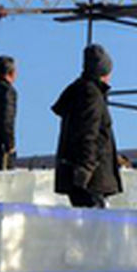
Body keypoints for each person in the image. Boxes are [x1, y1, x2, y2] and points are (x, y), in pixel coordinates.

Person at [52, 44, 122, 208]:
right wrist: (85, 171)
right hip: (91, 179)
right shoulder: (91, 94)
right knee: (95, 229)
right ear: (103, 72)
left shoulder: (78, 91)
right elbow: (88, 135)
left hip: (78, 175)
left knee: (88, 228)